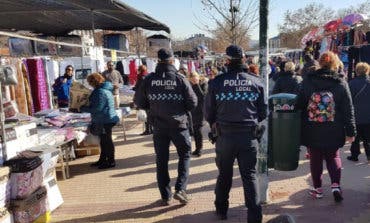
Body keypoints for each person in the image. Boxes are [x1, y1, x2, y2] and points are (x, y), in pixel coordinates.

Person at [205, 45, 266, 222]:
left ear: (227, 60)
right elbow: (263, 112)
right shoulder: (256, 82)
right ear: (244, 59)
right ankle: (254, 217)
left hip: (225, 137)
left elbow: (208, 113)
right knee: (249, 177)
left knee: (224, 175)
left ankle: (221, 210)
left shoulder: (217, 82)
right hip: (248, 136)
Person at [134, 48, 197, 206]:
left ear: (158, 60)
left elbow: (140, 102)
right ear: (172, 60)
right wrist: (179, 108)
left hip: (159, 125)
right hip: (179, 125)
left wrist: (153, 106)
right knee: (185, 155)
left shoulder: (149, 79)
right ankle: (180, 189)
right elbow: (193, 103)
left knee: (161, 160)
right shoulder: (180, 79)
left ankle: (165, 195)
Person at [296, 51, 356, 203]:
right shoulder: (341, 82)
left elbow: (299, 104)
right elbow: (348, 109)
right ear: (335, 64)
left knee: (315, 158)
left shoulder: (308, 81)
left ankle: (318, 189)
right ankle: (335, 186)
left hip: (312, 128)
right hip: (334, 127)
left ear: (319, 63)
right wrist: (351, 131)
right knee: (333, 156)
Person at [80, 73, 119, 169]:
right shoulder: (103, 89)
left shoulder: (100, 92)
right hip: (106, 118)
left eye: (90, 82)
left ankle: (110, 161)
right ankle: (103, 159)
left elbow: (98, 108)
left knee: (107, 141)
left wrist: (83, 108)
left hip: (105, 119)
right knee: (104, 141)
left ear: (94, 82)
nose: (89, 84)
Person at [348, 62, 370, 162]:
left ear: (357, 71)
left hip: (356, 114)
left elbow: (348, 100)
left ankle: (354, 155)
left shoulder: (352, 83)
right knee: (368, 137)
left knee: (355, 137)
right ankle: (369, 156)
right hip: (368, 115)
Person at [188, 71, 208, 157]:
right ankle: (197, 148)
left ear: (198, 77)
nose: (193, 80)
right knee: (194, 130)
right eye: (191, 79)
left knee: (198, 130)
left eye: (194, 78)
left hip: (200, 110)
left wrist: (196, 85)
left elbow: (203, 96)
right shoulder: (189, 85)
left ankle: (199, 149)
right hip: (192, 110)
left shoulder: (204, 84)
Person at [134, 65, 153, 135]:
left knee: (145, 115)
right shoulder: (148, 76)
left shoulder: (141, 77)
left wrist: (134, 88)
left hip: (143, 98)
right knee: (149, 114)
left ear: (140, 70)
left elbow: (139, 87)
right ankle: (151, 129)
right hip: (149, 97)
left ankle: (148, 130)